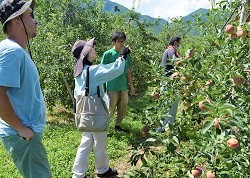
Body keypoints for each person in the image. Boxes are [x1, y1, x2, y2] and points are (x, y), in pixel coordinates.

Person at [0, 0, 52, 177]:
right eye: (30, 15)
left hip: (25, 135)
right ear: (16, 20)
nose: (35, 20)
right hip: (23, 136)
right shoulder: (11, 52)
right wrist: (22, 129)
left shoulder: (16, 51)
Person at [72, 37, 130, 178]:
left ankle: (78, 174)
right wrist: (122, 56)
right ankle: (103, 170)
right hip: (95, 113)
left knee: (86, 142)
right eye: (92, 48)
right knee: (100, 141)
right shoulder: (93, 71)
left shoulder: (79, 71)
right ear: (86, 54)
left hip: (85, 113)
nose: (94, 50)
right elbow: (115, 70)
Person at [157, 36, 194, 132]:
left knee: (173, 105)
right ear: (175, 43)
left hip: (173, 82)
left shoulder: (173, 51)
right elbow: (177, 63)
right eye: (179, 43)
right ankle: (160, 128)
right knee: (167, 105)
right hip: (168, 81)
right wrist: (188, 57)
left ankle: (169, 127)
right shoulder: (171, 51)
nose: (180, 45)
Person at [101, 31, 135, 132]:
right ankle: (102, 128)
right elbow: (102, 71)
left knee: (122, 109)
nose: (122, 44)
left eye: (123, 41)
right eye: (120, 41)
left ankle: (117, 126)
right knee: (110, 109)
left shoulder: (125, 54)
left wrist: (131, 86)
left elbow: (128, 71)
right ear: (114, 42)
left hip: (123, 87)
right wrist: (102, 88)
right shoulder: (107, 54)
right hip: (112, 87)